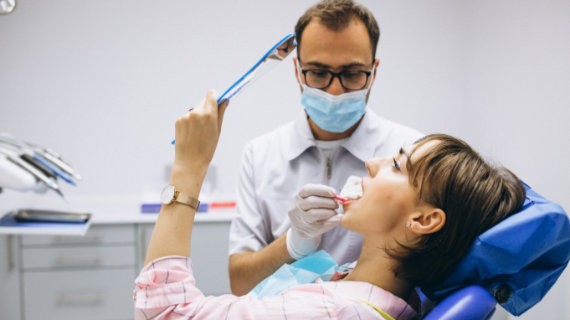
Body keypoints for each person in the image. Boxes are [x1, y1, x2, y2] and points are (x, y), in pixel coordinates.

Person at [134, 90, 526, 319]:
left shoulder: (332, 312)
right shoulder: (362, 284)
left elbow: (165, 312)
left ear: (423, 219)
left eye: (396, 164)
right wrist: (295, 245)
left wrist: (188, 169)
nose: (372, 163)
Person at [229, 0, 423, 295]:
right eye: (318, 73)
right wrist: (293, 242)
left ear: (374, 71)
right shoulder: (260, 155)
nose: (334, 91)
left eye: (352, 74)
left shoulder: (410, 153)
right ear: (297, 69)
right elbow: (240, 284)